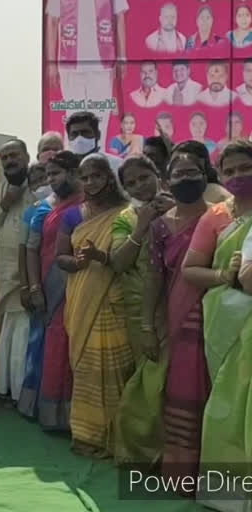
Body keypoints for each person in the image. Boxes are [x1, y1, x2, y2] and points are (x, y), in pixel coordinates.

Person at [141, 144, 211, 492]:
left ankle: (221, 479)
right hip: (177, 317)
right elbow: (154, 278)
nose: (187, 178)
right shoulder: (159, 227)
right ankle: (182, 478)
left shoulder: (220, 217)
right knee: (181, 389)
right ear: (167, 180)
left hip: (218, 320)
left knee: (219, 393)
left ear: (205, 174)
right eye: (179, 173)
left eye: (193, 171)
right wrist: (146, 326)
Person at [55, 154, 132, 458]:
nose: (90, 182)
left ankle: (118, 437)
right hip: (82, 296)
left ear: (109, 177)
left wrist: (102, 258)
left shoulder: (127, 213)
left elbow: (130, 258)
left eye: (97, 175)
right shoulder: (73, 216)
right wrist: (78, 262)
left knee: (119, 367)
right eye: (85, 177)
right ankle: (88, 437)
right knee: (87, 365)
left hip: (115, 300)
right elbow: (61, 256)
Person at [110, 156, 174, 465]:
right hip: (141, 311)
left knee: (181, 378)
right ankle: (147, 452)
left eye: (143, 177)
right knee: (150, 377)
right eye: (131, 183)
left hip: (181, 303)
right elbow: (119, 263)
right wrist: (143, 224)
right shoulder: (126, 216)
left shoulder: (183, 205)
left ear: (157, 174)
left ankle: (179, 452)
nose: (139, 186)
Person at [199, 141, 252, 510]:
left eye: (245, 168)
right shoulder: (217, 215)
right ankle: (232, 497)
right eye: (229, 171)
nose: (237, 177)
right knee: (230, 404)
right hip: (229, 320)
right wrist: (225, 274)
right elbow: (191, 269)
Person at [33, 151, 85, 431]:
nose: (51, 179)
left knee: (70, 350)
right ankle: (54, 418)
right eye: (48, 174)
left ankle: (73, 420)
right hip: (51, 286)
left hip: (75, 288)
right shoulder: (55, 206)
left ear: (75, 173)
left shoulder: (86, 206)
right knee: (55, 349)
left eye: (57, 173)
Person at [0, 139, 36, 403]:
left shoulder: (40, 187)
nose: (10, 161)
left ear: (27, 157)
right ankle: (8, 391)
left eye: (14, 155)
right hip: (7, 274)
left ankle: (26, 393)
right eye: (5, 158)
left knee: (27, 334)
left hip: (35, 274)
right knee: (11, 332)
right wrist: (6, 202)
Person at [45, 0, 129, 144]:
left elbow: (119, 17)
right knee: (73, 118)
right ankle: (72, 161)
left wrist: (122, 56)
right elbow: (52, 20)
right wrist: (51, 62)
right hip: (70, 62)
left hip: (102, 63)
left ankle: (98, 162)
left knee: (100, 118)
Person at [15, 162, 53, 418]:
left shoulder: (73, 206)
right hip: (41, 284)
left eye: (45, 177)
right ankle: (34, 405)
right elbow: (24, 251)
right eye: (35, 179)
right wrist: (29, 286)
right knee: (39, 345)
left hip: (66, 283)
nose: (40, 182)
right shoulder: (32, 211)